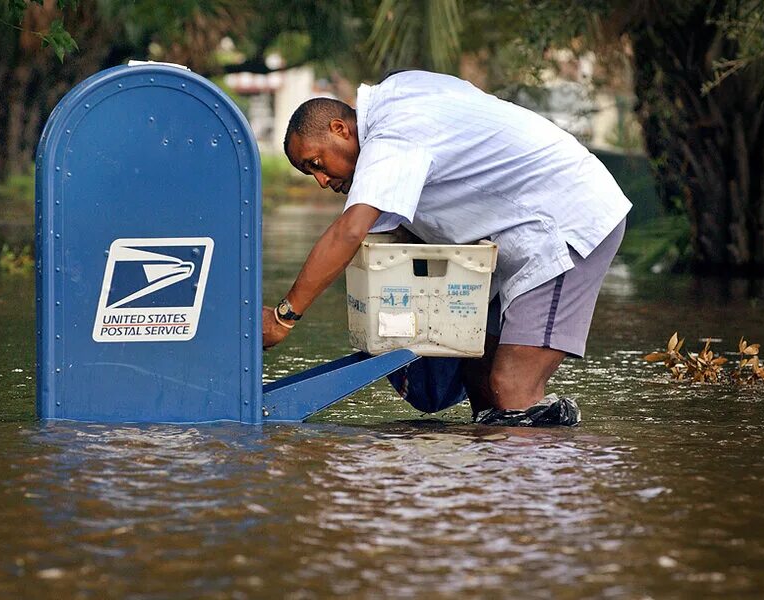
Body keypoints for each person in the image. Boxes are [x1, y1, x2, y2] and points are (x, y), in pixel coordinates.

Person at [263, 70, 630, 425]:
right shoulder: (399, 95)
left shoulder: (393, 134)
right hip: (510, 241)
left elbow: (348, 233)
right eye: (309, 173)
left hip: (564, 226)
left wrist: (284, 317)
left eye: (316, 164)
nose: (323, 181)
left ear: (340, 129)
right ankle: (489, 478)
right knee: (477, 369)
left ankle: (555, 475)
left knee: (511, 387)